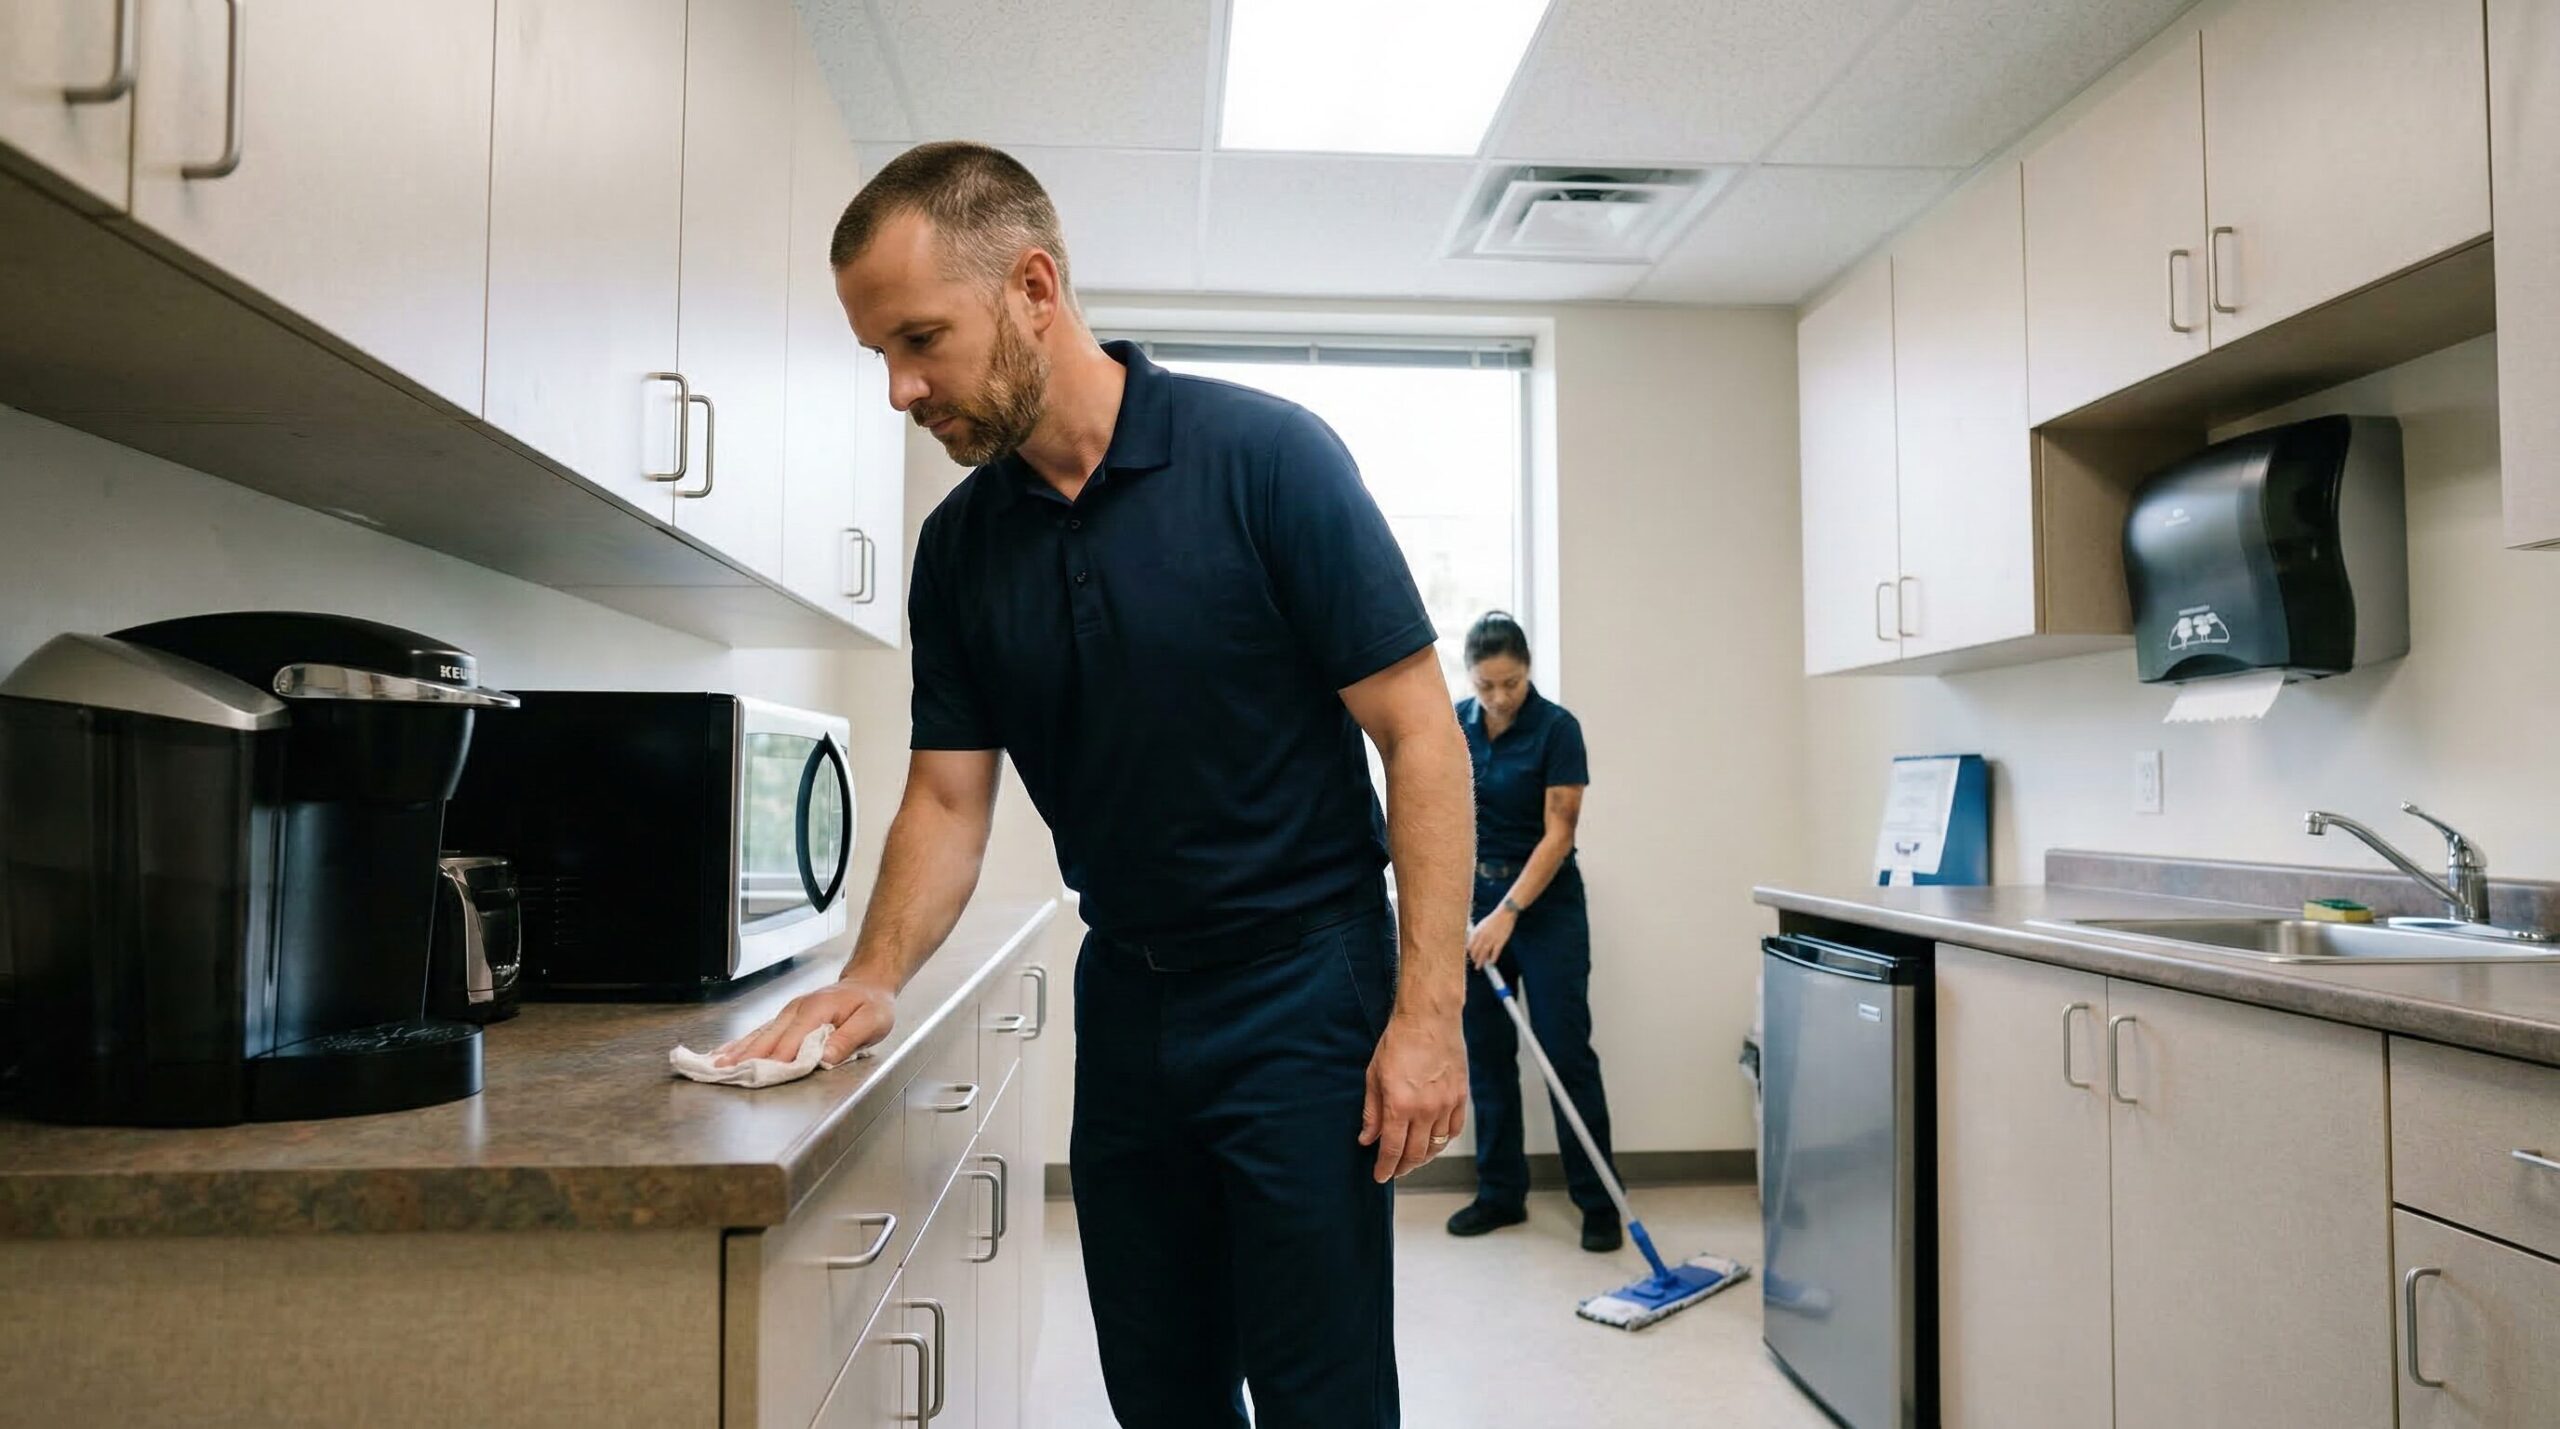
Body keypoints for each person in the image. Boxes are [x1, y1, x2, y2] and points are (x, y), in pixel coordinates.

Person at [713, 142, 1473, 1429]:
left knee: (1318, 1390)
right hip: (1130, 996)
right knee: (1161, 1388)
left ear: (1033, 288)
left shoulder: (1268, 460)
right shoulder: (960, 550)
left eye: (921, 340)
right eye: (879, 358)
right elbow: (950, 799)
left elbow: (1418, 736)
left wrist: (1427, 1015)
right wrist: (872, 973)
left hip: (1304, 983)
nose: (902, 389)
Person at [1443, 611, 1624, 1253]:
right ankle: (1500, 1194)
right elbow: (1440, 816)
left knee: (1564, 1050)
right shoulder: (1453, 727)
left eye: (1511, 683)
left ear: (1528, 671)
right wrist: (1460, 904)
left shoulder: (1557, 729)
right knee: (1488, 1056)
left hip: (1544, 908)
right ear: (1471, 677)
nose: (1498, 698)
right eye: (1487, 685)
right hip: (1474, 902)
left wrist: (1506, 913)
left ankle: (1598, 1200)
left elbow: (1560, 834)